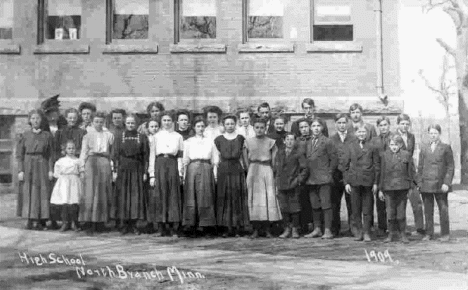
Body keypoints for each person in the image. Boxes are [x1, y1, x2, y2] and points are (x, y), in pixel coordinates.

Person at [244, 117, 282, 238]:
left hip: (266, 170)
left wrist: (273, 171)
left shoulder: (271, 142)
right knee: (254, 199)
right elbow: (245, 160)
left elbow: (275, 159)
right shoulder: (248, 142)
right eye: (257, 127)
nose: (259, 130)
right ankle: (255, 229)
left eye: (262, 127)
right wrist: (249, 170)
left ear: (265, 128)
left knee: (267, 198)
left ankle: (267, 229)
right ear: (253, 128)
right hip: (253, 170)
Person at [16, 109, 54, 230]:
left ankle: (40, 219)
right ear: (29, 120)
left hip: (42, 164)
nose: (35, 121)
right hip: (28, 165)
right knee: (28, 191)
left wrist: (50, 170)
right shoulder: (25, 135)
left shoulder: (47, 135)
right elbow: (19, 155)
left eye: (37, 118)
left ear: (42, 120)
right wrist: (20, 170)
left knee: (41, 191)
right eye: (33, 118)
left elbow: (51, 154)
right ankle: (28, 218)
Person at [148, 111, 184, 237]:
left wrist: (180, 172)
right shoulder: (156, 137)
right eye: (164, 120)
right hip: (160, 164)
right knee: (160, 194)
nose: (167, 123)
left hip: (172, 163)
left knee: (173, 194)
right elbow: (152, 155)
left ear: (173, 122)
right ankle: (161, 227)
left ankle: (174, 227)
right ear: (161, 122)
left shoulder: (178, 136)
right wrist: (152, 174)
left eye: (169, 120)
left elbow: (180, 156)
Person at [416, 124, 454, 242]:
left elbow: (450, 167)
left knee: (443, 209)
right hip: (426, 184)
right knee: (428, 210)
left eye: (435, 133)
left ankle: (445, 234)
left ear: (439, 134)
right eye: (431, 133)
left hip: (440, 184)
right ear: (428, 134)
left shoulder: (446, 148)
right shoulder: (424, 148)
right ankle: (429, 233)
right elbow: (420, 167)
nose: (433, 135)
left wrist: (446, 183)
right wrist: (419, 183)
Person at [113, 114, 149, 235]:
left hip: (137, 169)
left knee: (135, 197)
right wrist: (115, 171)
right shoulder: (119, 136)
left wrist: (145, 172)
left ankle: (134, 225)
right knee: (123, 196)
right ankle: (124, 224)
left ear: (136, 124)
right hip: (123, 169)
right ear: (125, 123)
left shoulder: (142, 137)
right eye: (128, 123)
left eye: (132, 123)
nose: (130, 125)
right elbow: (115, 156)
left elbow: (145, 156)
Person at [301, 118, 337, 239]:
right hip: (311, 178)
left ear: (322, 128)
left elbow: (334, 160)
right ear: (311, 128)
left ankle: (327, 230)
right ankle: (317, 229)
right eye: (314, 126)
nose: (316, 128)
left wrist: (329, 173)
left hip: (324, 178)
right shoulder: (308, 142)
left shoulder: (327, 141)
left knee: (326, 205)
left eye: (318, 126)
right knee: (315, 205)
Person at [214, 115, 250, 237]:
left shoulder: (240, 138)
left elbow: (244, 156)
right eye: (227, 124)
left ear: (235, 124)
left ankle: (237, 227)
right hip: (223, 170)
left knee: (236, 197)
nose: (230, 126)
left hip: (236, 169)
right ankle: (226, 227)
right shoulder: (218, 139)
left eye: (232, 124)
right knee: (225, 197)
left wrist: (246, 169)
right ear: (223, 125)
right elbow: (216, 157)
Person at [79, 111, 114, 234]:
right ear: (92, 122)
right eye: (96, 121)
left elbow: (112, 152)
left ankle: (101, 222)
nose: (98, 124)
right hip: (91, 162)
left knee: (102, 192)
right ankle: (88, 222)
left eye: (101, 121)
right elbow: (83, 152)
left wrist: (112, 167)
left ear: (104, 122)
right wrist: (82, 168)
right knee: (90, 192)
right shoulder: (87, 135)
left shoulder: (109, 135)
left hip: (104, 161)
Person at [344, 125, 380, 242]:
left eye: (364, 132)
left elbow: (377, 166)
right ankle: (359, 232)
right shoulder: (350, 146)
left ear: (367, 133)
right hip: (354, 182)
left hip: (368, 182)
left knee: (368, 208)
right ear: (355, 133)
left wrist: (375, 183)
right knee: (355, 209)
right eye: (359, 132)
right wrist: (346, 183)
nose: (361, 134)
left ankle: (367, 232)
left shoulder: (372, 147)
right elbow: (345, 166)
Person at [182, 116, 217, 237]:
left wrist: (215, 175)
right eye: (198, 126)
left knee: (205, 196)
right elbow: (185, 159)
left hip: (206, 167)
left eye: (202, 126)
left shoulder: (210, 141)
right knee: (191, 196)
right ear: (194, 127)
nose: (201, 128)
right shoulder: (188, 142)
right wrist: (184, 175)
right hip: (192, 167)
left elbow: (214, 159)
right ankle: (191, 225)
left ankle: (205, 225)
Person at [379, 135, 414, 243]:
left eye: (396, 144)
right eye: (391, 145)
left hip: (402, 188)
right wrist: (381, 189)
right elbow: (382, 173)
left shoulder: (406, 155)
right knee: (390, 212)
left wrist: (410, 187)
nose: (394, 147)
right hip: (389, 188)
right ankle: (390, 234)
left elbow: (410, 172)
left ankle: (402, 234)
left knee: (401, 212)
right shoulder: (385, 155)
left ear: (400, 145)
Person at [395, 113, 424, 235]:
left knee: (416, 201)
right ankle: (401, 229)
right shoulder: (393, 137)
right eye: (402, 124)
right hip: (398, 173)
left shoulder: (411, 137)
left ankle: (420, 228)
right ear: (398, 124)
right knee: (400, 203)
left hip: (410, 173)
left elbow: (411, 155)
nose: (405, 126)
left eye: (407, 124)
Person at [275, 133, 309, 239]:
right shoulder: (279, 153)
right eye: (287, 139)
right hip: (282, 183)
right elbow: (276, 167)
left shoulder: (298, 153)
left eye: (292, 139)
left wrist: (298, 180)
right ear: (284, 141)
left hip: (293, 184)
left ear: (295, 141)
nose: (289, 141)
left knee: (295, 208)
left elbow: (305, 169)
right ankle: (287, 228)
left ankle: (295, 229)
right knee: (284, 207)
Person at [329, 113, 355, 237]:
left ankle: (353, 228)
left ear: (347, 124)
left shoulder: (353, 138)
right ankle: (335, 229)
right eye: (339, 123)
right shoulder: (331, 139)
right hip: (336, 175)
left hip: (349, 175)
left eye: (344, 123)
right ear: (335, 125)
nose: (342, 125)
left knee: (351, 203)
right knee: (334, 203)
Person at [50, 140, 83, 232]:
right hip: (64, 182)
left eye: (73, 148)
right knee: (65, 202)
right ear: (65, 150)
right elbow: (56, 173)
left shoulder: (78, 161)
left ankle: (74, 223)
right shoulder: (61, 161)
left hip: (74, 182)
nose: (71, 150)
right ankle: (65, 223)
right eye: (69, 148)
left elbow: (81, 172)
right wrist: (62, 179)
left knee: (74, 203)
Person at [371, 116, 392, 236]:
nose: (383, 127)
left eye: (385, 125)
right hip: (379, 173)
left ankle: (394, 227)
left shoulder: (394, 138)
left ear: (389, 125)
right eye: (381, 125)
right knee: (380, 202)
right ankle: (382, 227)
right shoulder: (374, 141)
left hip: (392, 173)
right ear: (378, 127)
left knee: (392, 202)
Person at [295, 118, 313, 234]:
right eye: (301, 127)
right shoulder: (297, 141)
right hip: (302, 174)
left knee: (314, 200)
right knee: (302, 200)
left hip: (314, 173)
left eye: (306, 127)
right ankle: (303, 225)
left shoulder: (313, 139)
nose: (304, 129)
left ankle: (317, 225)